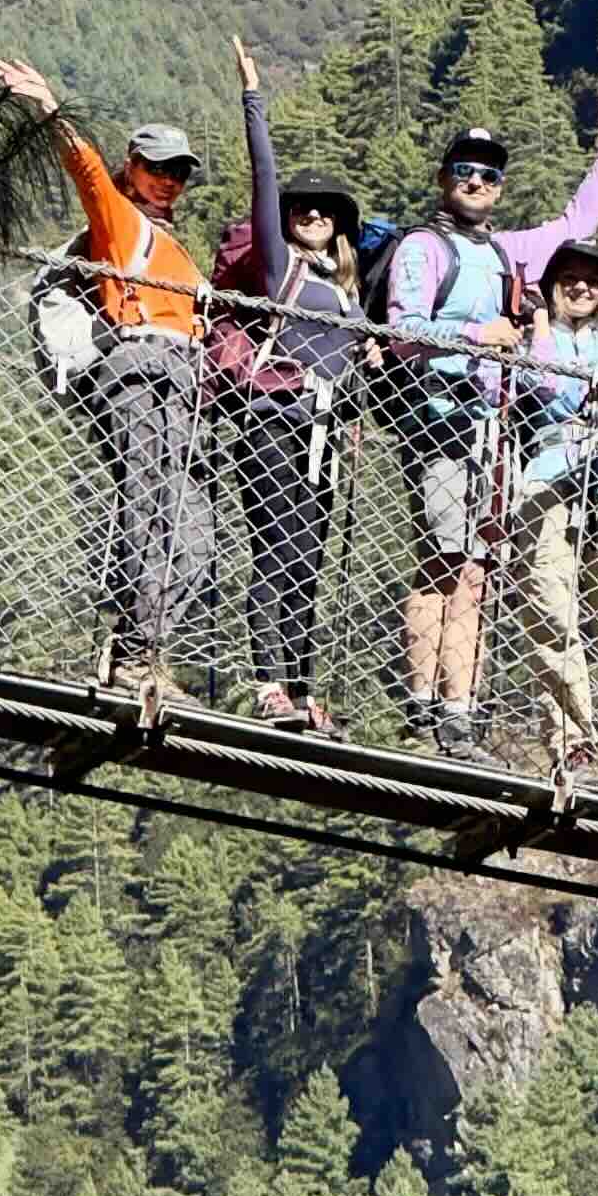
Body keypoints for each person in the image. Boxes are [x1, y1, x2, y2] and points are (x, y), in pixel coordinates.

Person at [382, 80, 598, 755]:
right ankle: (423, 705)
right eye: (465, 170)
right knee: (443, 560)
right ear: (444, 178)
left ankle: (459, 712)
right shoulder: (423, 247)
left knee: (475, 569)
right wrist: (477, 337)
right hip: (440, 419)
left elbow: (576, 224)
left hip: (491, 432)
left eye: (489, 174)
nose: (477, 181)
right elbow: (401, 330)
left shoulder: (505, 252)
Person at [0, 56, 216, 700]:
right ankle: (135, 655)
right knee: (150, 504)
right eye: (157, 168)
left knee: (193, 530)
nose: (168, 181)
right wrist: (48, 107)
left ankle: (140, 646)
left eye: (179, 172)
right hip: (140, 366)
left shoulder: (173, 247)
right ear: (132, 166)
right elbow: (85, 169)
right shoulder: (119, 220)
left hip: (182, 377)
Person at [223, 36, 371, 730]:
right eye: (302, 209)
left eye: (324, 212)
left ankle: (306, 694)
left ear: (338, 226)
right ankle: (269, 686)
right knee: (276, 550)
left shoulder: (345, 291)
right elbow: (264, 177)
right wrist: (253, 97)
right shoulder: (279, 265)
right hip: (273, 417)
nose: (312, 216)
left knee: (309, 561)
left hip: (324, 431)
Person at [507, 240, 598, 795]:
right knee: (551, 608)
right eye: (569, 278)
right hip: (547, 480)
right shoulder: (531, 339)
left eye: (592, 280)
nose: (582, 287)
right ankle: (573, 741)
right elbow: (540, 386)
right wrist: (543, 322)